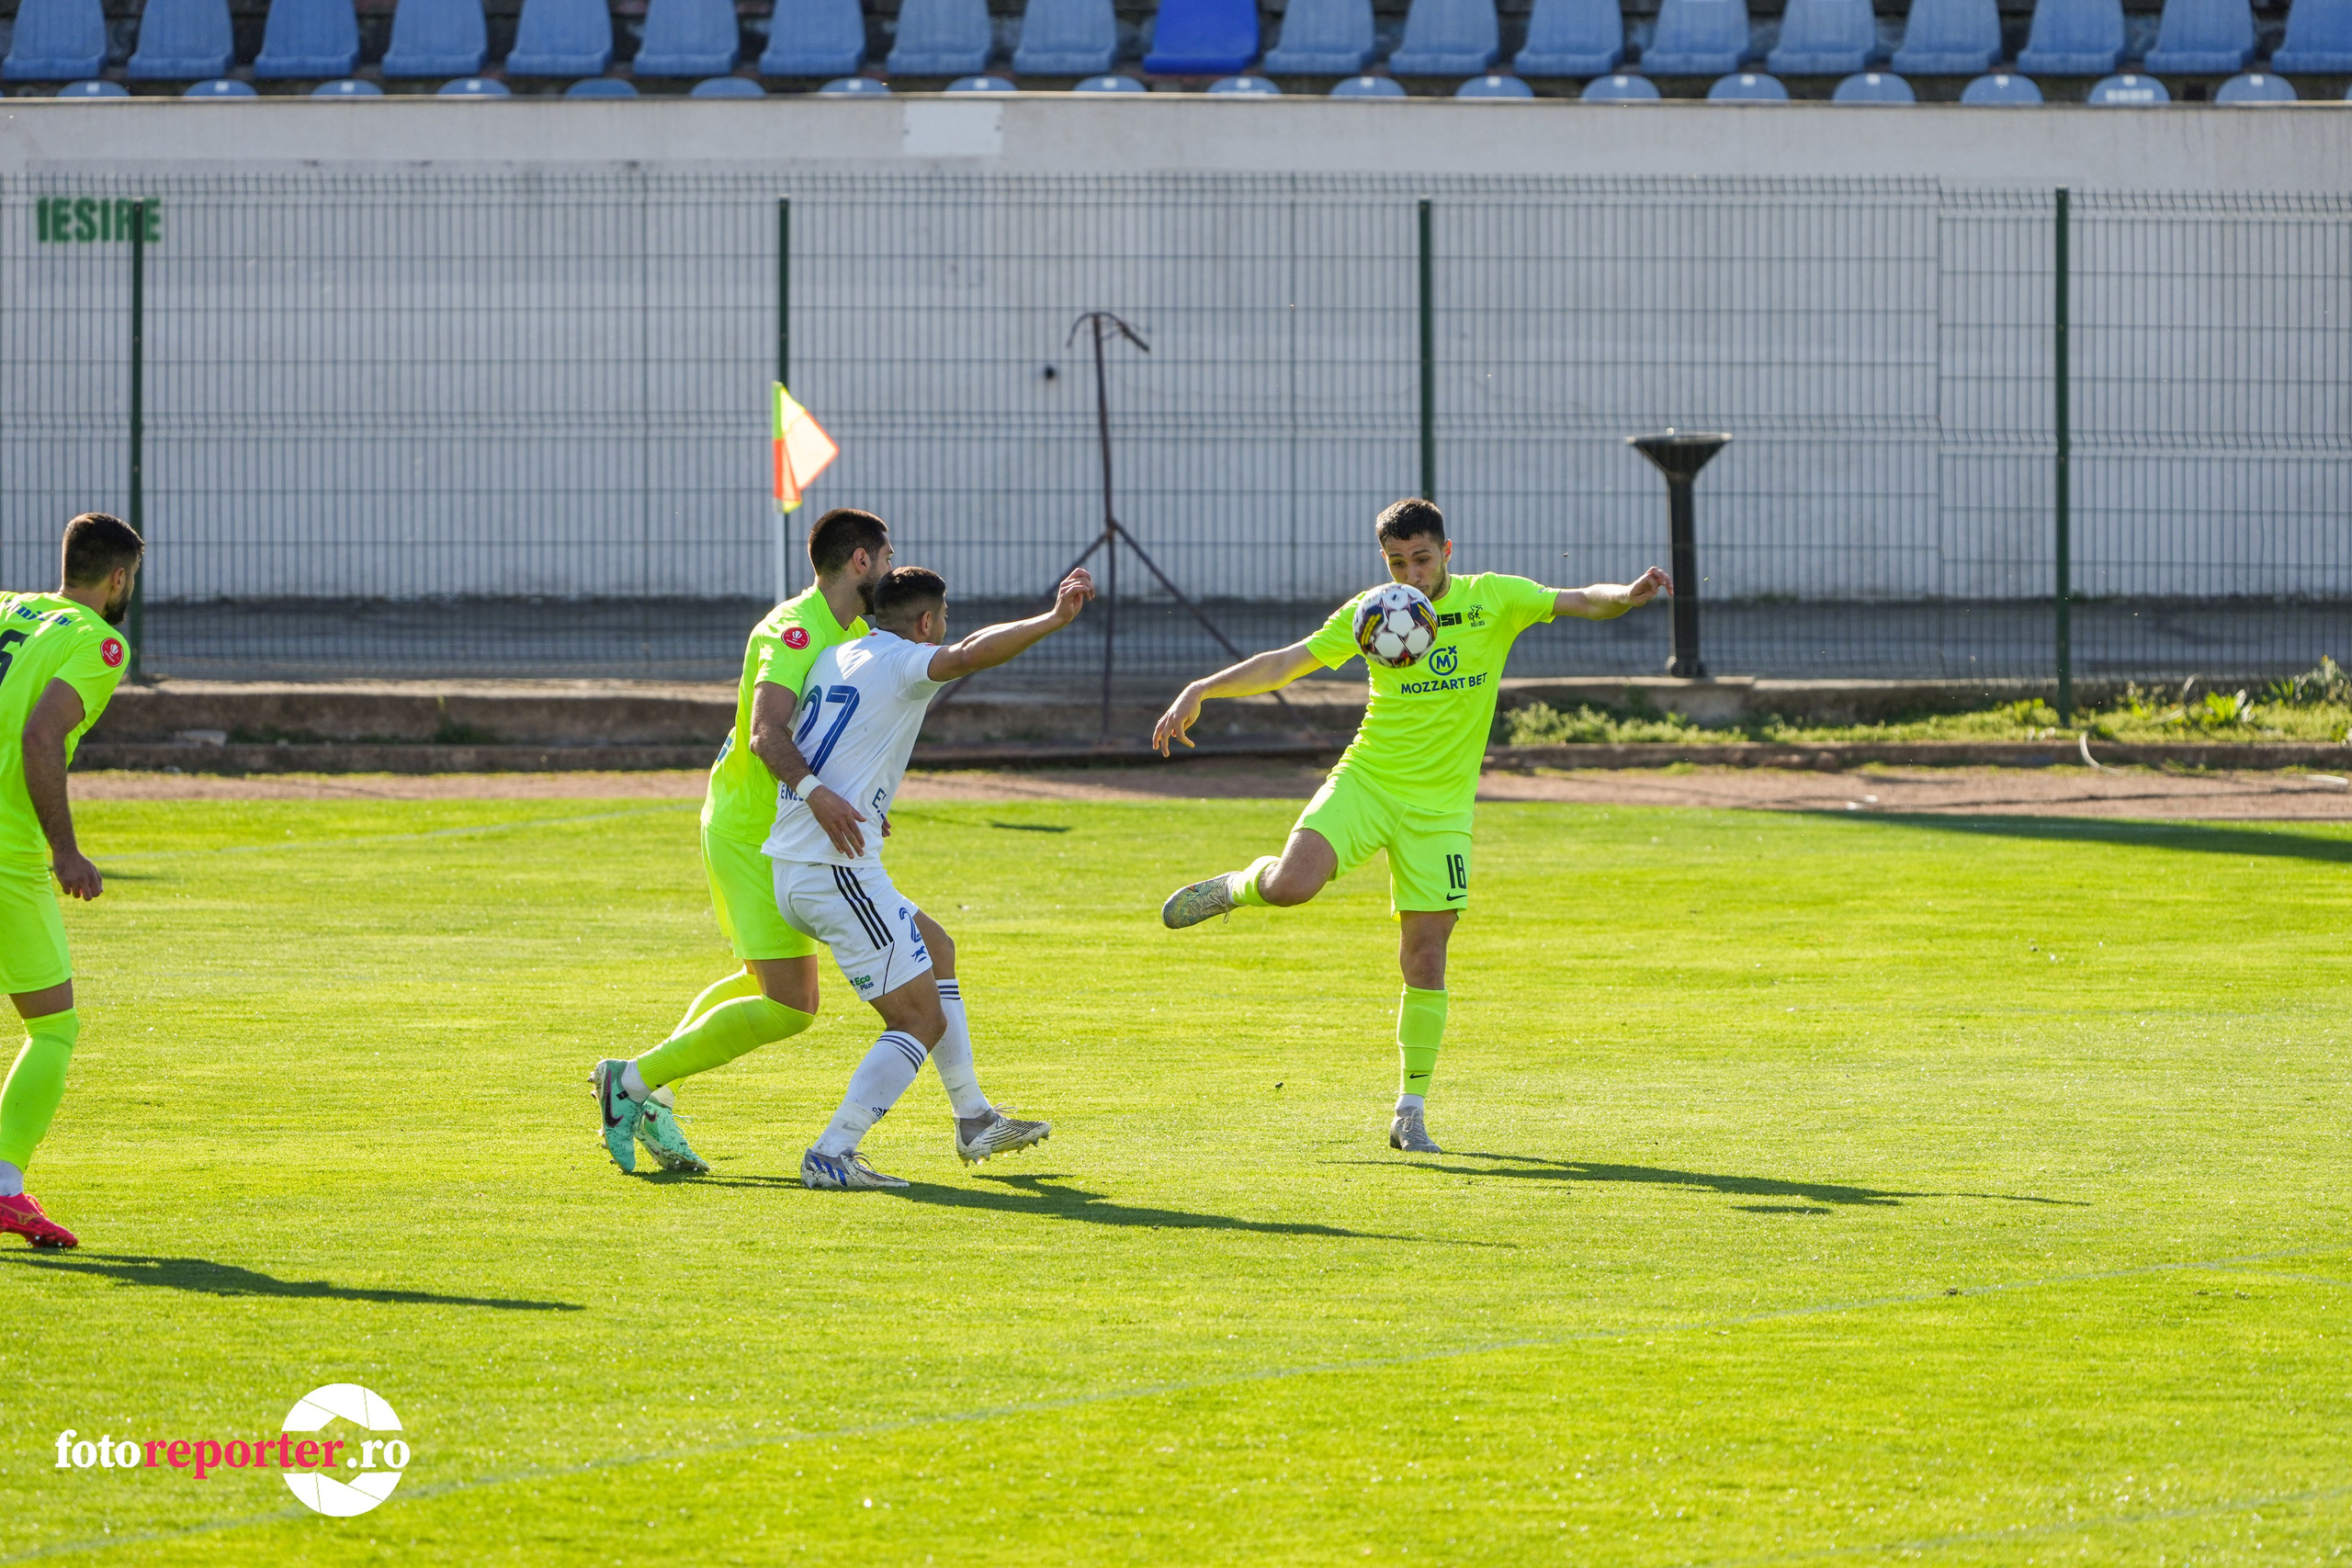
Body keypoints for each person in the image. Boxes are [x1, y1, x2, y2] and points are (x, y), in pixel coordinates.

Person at [1151, 498, 1669, 1154]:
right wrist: (1201, 687)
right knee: (1290, 887)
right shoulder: (1374, 612)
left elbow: (1582, 600)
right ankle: (1237, 886)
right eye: (1397, 561)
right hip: (1368, 780)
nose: (1410, 573)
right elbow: (1289, 661)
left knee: (1426, 956)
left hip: (1441, 811)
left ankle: (1410, 1107)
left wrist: (1628, 593)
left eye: (1421, 558)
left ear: (1446, 553)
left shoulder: (1494, 600)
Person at [589, 507, 893, 1175]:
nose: (894, 569)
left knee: (767, 983)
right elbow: (767, 733)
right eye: (888, 556)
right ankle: (631, 1081)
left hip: (780, 831)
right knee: (793, 1004)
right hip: (752, 829)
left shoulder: (859, 632)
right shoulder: (789, 629)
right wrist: (820, 796)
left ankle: (653, 1095)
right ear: (861, 562)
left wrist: (858, 798)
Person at [773, 564, 1093, 1190]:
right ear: (926, 622)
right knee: (920, 1019)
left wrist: (867, 798)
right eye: (942, 621)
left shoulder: (841, 656)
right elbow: (971, 654)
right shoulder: (902, 660)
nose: (946, 632)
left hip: (806, 859)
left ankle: (974, 1116)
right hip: (835, 869)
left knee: (937, 947)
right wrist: (1054, 618)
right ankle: (833, 1150)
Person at [0, 513, 145, 1247]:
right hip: (6, 856)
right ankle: (2, 1187)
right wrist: (65, 851)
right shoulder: (101, 642)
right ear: (118, 577)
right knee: (53, 1026)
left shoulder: (8, 607)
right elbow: (39, 733)